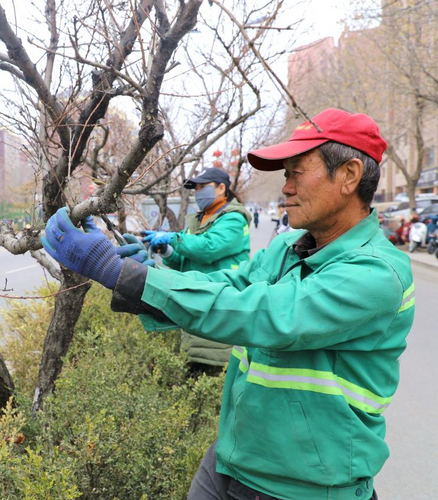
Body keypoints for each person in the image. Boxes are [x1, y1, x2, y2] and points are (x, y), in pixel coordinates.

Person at [41, 108, 413, 500]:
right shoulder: (289, 246)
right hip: (233, 457)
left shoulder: (376, 273)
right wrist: (147, 272)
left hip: (304, 486)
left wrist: (122, 274)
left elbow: (264, 313)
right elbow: (225, 285)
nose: (285, 187)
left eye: (295, 173)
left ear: (350, 175)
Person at [142, 168, 251, 375]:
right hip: (196, 302)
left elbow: (208, 248)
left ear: (221, 188)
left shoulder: (234, 219)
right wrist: (167, 251)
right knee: (194, 371)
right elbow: (185, 259)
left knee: (215, 369)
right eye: (196, 188)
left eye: (203, 187)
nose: (198, 192)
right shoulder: (197, 220)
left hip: (221, 303)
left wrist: (173, 238)